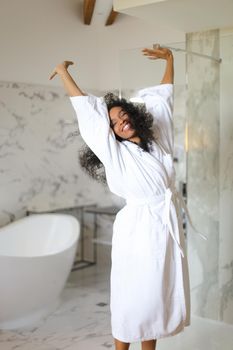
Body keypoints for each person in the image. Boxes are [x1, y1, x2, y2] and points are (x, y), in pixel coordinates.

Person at [49, 45, 191, 350]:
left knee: (154, 294)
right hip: (138, 228)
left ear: (134, 115)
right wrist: (64, 73)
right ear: (109, 131)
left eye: (123, 115)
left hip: (163, 225)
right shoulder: (114, 152)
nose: (120, 122)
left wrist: (170, 60)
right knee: (133, 294)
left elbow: (163, 100)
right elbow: (89, 114)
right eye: (113, 122)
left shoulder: (158, 140)